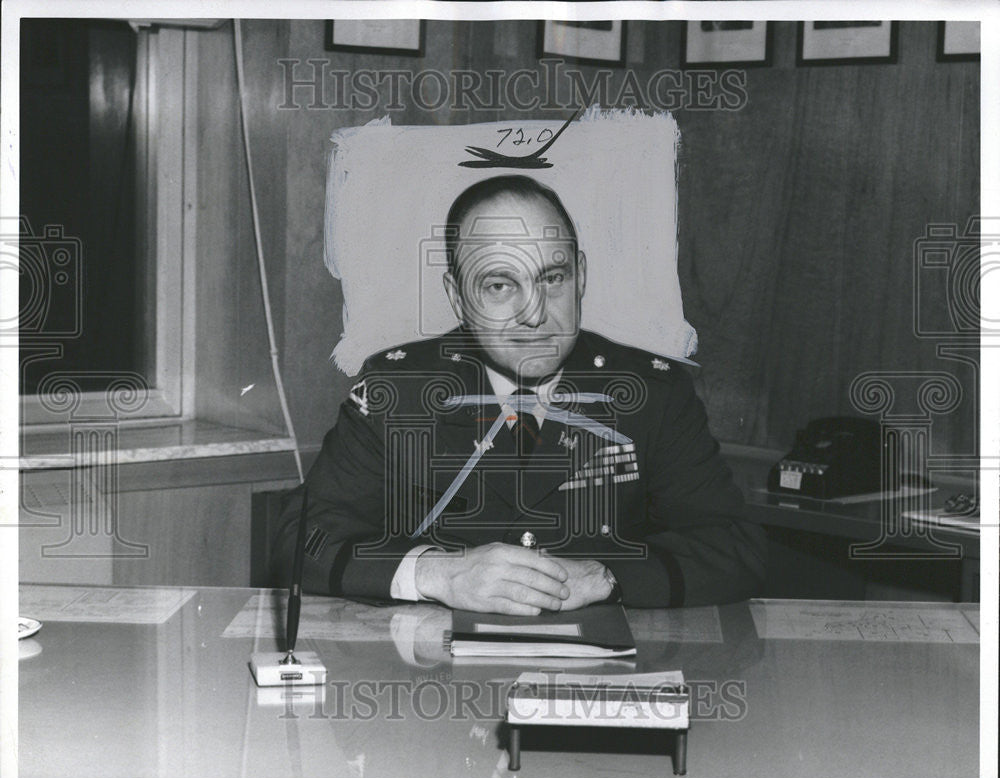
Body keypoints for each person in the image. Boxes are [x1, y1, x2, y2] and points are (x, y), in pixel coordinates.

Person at [271, 175, 765, 613]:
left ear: (582, 277)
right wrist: (438, 574)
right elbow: (302, 538)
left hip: (595, 683)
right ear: (457, 297)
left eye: (552, 278)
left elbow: (734, 546)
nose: (534, 312)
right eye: (500, 285)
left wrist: (609, 576)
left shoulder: (649, 392)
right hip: (436, 683)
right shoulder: (399, 391)